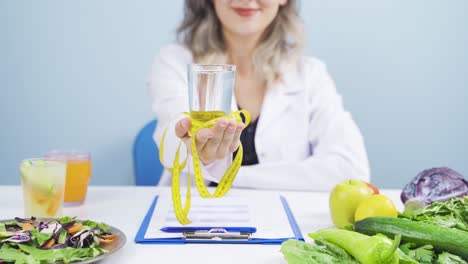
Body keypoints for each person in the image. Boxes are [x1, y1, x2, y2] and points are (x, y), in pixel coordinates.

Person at [149, 0, 370, 191]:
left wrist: (227, 176)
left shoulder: (310, 74)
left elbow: (350, 169)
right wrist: (192, 146)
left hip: (281, 224)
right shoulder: (176, 61)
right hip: (193, 220)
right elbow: (171, 140)